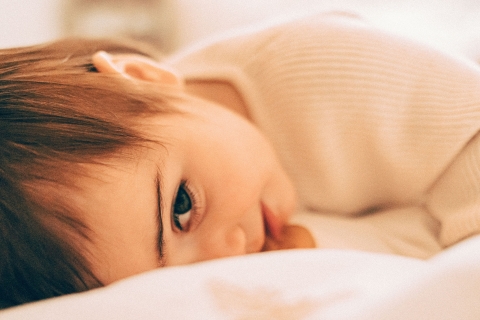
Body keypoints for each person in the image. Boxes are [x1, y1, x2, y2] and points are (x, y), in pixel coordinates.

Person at [2, 11, 480, 309]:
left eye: (182, 208)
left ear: (146, 78)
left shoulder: (326, 67)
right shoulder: (208, 168)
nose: (227, 254)